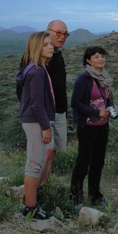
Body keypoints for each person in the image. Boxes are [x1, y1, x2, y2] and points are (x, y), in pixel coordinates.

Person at [15, 31, 56, 220]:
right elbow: (37, 104)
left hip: (32, 120)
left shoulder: (33, 68)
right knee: (33, 164)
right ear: (37, 47)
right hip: (35, 121)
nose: (51, 47)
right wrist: (46, 127)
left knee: (35, 162)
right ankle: (31, 207)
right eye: (46, 44)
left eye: (50, 44)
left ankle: (31, 205)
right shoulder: (37, 71)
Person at [69, 45, 114, 207]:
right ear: (88, 61)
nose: (100, 59)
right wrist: (96, 112)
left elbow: (107, 98)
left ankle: (95, 195)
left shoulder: (104, 78)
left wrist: (110, 108)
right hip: (87, 126)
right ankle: (75, 198)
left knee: (98, 161)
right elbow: (75, 103)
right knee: (83, 161)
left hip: (103, 125)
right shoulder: (84, 79)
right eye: (96, 57)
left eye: (102, 56)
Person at [38, 20, 70, 203]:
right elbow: (24, 89)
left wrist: (63, 114)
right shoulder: (37, 56)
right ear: (47, 31)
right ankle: (33, 196)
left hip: (58, 113)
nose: (62, 37)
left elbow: (60, 87)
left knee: (53, 153)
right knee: (45, 152)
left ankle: (41, 192)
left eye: (65, 34)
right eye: (58, 33)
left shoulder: (58, 56)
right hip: (44, 113)